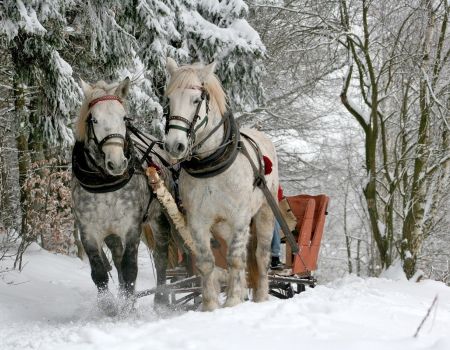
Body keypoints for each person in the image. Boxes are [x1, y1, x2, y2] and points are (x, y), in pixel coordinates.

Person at [270, 185, 284, 270]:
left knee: (274, 221)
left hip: (268, 207)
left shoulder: (274, 180)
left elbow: (278, 195)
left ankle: (274, 257)